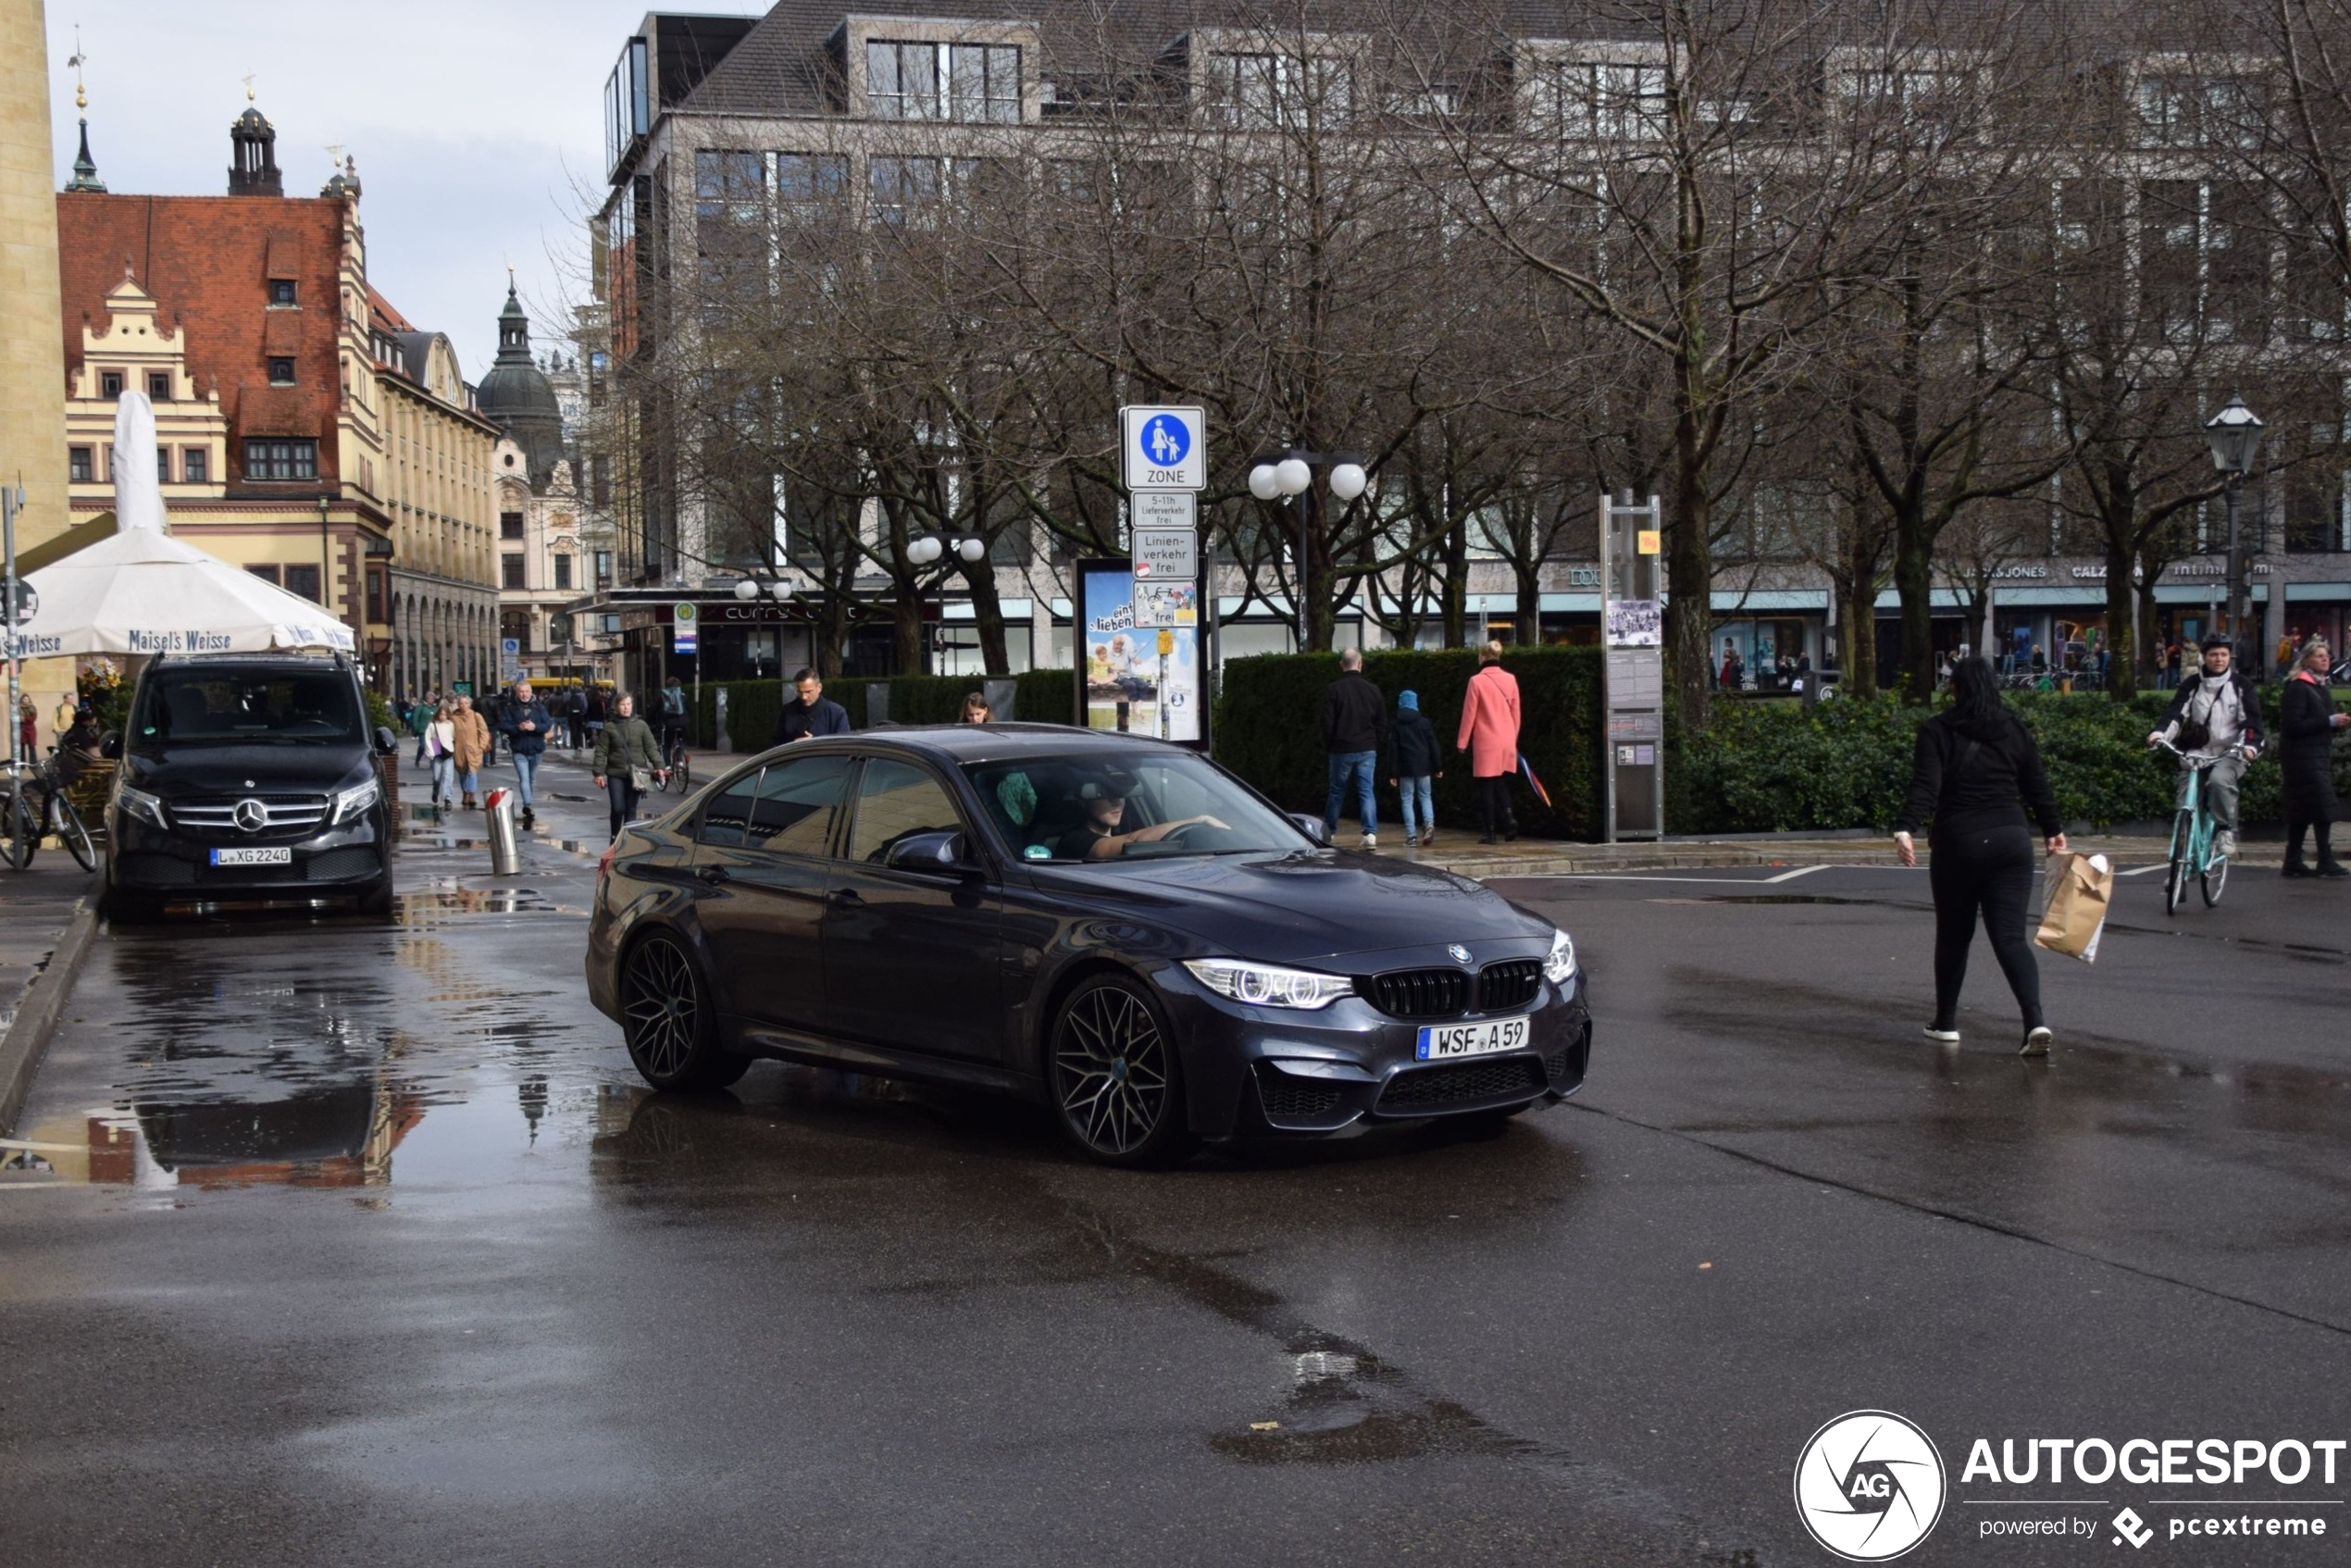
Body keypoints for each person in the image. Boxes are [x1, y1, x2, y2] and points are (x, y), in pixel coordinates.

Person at [1894, 656, 2068, 1056]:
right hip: (2012, 839)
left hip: (1960, 841)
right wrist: (2053, 830)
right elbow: (2037, 784)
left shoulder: (1937, 730)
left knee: (1954, 935)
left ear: (1954, 689)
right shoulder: (2015, 730)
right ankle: (2034, 1021)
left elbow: (1926, 786)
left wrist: (1907, 828)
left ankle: (1946, 1023)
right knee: (2010, 937)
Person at [2149, 634, 2262, 859]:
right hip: (2197, 753)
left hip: (2230, 752)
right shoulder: (2192, 684)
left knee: (2219, 782)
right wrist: (2160, 734)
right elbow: (2175, 713)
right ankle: (2181, 858)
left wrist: (2250, 746)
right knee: (2185, 799)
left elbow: (2252, 722)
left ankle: (2224, 830)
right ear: (2204, 657)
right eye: (2213, 654)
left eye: (2223, 654)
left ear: (2230, 657)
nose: (2218, 659)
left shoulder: (2241, 685)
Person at [2279, 638, 2348, 878]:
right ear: (2306, 660)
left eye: (2327, 655)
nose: (2325, 659)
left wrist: (2335, 723)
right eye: (2319, 656)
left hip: (2316, 755)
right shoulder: (2298, 687)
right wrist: (2329, 721)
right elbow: (2293, 726)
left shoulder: (2319, 686)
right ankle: (2325, 860)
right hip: (2302, 758)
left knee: (2302, 810)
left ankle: (2293, 860)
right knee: (2323, 807)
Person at [1054, 775, 1225, 861]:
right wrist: (1199, 821)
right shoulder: (1074, 840)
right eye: (1103, 794)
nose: (1116, 802)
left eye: (1120, 794)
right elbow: (1131, 841)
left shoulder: (1126, 829)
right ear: (1084, 802)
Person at [1318, 647, 1386, 848]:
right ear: (1360, 663)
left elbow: (1327, 722)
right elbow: (1381, 723)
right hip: (1366, 748)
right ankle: (1369, 833)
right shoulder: (1373, 690)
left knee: (1337, 791)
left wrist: (1330, 745)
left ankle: (1329, 832)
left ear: (1341, 665)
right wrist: (1374, 742)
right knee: (1366, 790)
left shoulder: (1333, 690)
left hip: (1341, 749)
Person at [1458, 641, 1523, 844]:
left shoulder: (1476, 681)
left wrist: (1462, 741)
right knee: (1499, 781)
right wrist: (1513, 737)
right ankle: (1510, 818)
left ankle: (1489, 832)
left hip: (1486, 739)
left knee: (1486, 785)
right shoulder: (1511, 679)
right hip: (1506, 738)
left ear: (1484, 657)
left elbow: (1469, 714)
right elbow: (1516, 713)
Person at [592, 692, 666, 840]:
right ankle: (614, 837)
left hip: (637, 774)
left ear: (632, 706)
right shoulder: (610, 727)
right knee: (618, 808)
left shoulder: (641, 725)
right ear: (616, 707)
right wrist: (598, 773)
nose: (626, 708)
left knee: (631, 810)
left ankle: (627, 841)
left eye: (628, 704)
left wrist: (659, 766)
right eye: (622, 704)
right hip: (615, 773)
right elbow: (601, 751)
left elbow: (651, 747)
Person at [1387, 688, 1442, 850]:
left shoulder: (1396, 724)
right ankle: (1429, 824)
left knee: (1407, 799)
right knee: (1425, 796)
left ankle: (1411, 837)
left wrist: (1392, 772)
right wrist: (1438, 766)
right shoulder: (1424, 722)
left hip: (1405, 768)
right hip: (1424, 766)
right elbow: (1433, 745)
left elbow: (1393, 751)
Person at [498, 679, 552, 830]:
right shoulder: (510, 708)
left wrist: (535, 727)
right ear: (516, 693)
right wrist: (517, 727)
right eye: (521, 691)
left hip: (536, 748)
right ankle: (528, 804)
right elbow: (503, 725)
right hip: (519, 748)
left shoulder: (539, 707)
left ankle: (529, 802)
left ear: (531, 692)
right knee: (524, 778)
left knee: (532, 779)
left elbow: (547, 724)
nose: (524, 694)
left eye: (526, 691)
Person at [771, 667, 850, 745]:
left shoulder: (837, 713)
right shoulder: (787, 711)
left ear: (819, 688)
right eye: (800, 692)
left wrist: (815, 742)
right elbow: (776, 743)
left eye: (808, 692)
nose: (804, 697)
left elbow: (843, 745)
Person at [450, 693, 491, 811]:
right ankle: (465, 792)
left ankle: (471, 793)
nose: (463, 706)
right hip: (459, 748)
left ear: (470, 704)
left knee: (472, 771)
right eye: (461, 703)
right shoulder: (454, 717)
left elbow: (484, 731)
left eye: (466, 703)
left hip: (474, 748)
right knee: (462, 771)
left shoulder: (476, 716)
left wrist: (481, 746)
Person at [424, 700, 457, 810]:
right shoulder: (432, 725)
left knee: (448, 776)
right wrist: (430, 752)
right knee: (437, 777)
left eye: (445, 714)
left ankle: (447, 798)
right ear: (438, 714)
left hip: (448, 753)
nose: (443, 716)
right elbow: (427, 738)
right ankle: (436, 790)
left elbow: (453, 736)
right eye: (441, 714)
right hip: (437, 753)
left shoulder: (450, 724)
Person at [656, 674, 689, 762]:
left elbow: (656, 710)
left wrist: (653, 721)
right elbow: (687, 708)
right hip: (683, 722)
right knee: (680, 739)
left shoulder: (663, 695)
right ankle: (680, 761)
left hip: (669, 724)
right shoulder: (683, 695)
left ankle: (668, 767)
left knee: (666, 745)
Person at [566, 685, 588, 750]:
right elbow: (585, 706)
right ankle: (580, 745)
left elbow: (566, 705)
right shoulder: (582, 696)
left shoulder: (569, 696)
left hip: (571, 715)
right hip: (579, 715)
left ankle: (574, 744)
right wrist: (583, 713)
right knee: (580, 730)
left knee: (573, 730)